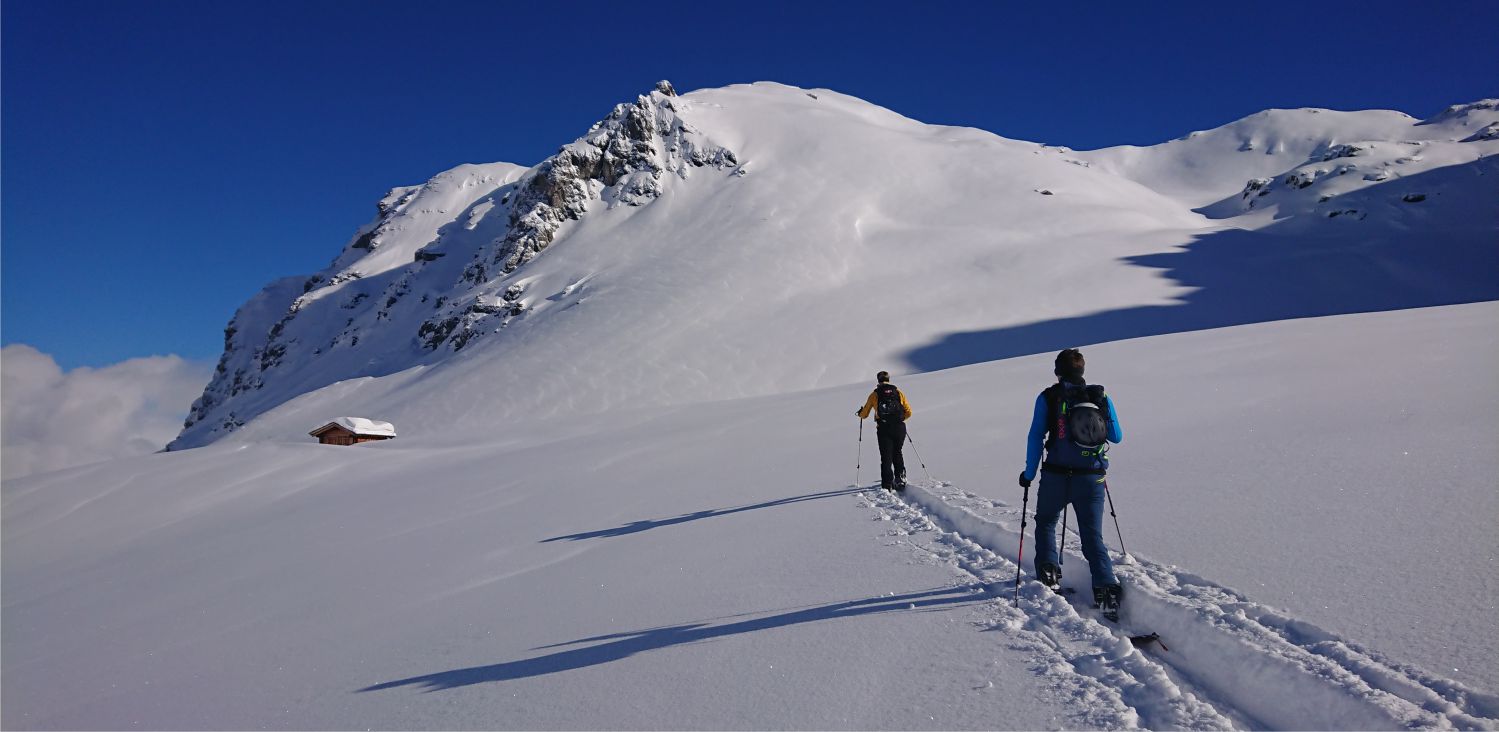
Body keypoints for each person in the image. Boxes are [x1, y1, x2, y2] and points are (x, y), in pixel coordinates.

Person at [1019, 348, 1124, 617]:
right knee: (1092, 535)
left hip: (1055, 474)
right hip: (1091, 477)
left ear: (1057, 371)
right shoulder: (1099, 396)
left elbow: (1035, 438)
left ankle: (1049, 573)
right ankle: (1107, 590)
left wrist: (1029, 474)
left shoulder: (1048, 397)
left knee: (1046, 523)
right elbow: (1116, 436)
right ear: (1082, 370)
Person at [857, 371, 912, 491]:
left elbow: (865, 414)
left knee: (886, 456)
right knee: (897, 452)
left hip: (883, 428)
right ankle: (900, 479)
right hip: (899, 428)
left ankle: (887, 484)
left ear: (878, 380)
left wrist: (860, 414)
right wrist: (899, 419)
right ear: (888, 379)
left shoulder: (874, 395)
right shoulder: (898, 392)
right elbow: (909, 412)